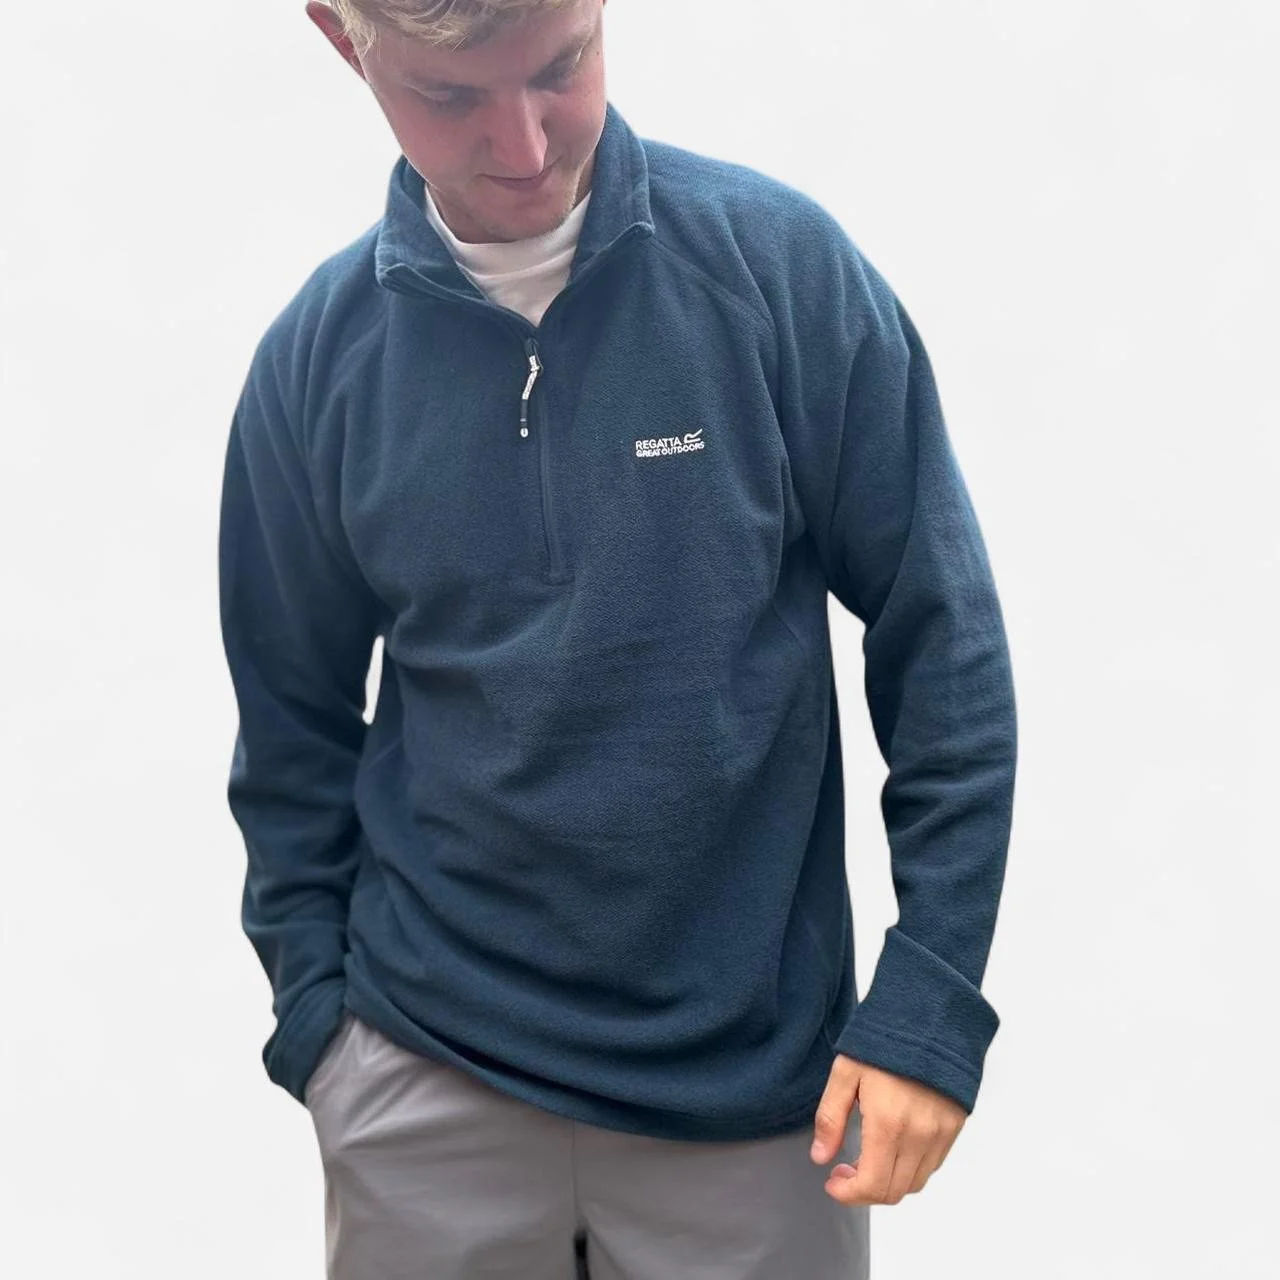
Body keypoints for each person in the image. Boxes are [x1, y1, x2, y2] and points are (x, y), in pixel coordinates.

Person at [216, 1, 1018, 1275]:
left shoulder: (779, 274)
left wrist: (929, 995)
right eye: (451, 96)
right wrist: (322, 1031)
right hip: (424, 1086)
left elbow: (944, 638)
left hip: (758, 1104)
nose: (525, 144)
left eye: (561, 67)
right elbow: (289, 726)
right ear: (339, 34)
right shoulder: (318, 362)